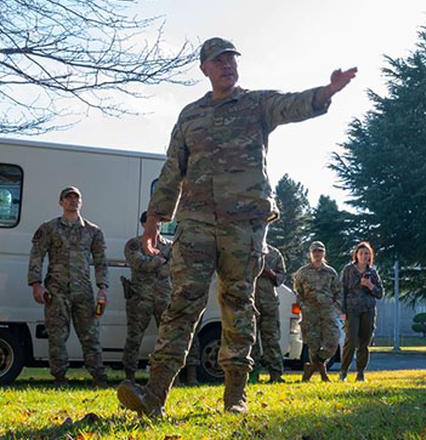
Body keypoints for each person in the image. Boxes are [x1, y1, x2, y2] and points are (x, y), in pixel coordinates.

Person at [118, 37, 356, 416]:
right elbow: (171, 172)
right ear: (205, 68)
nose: (227, 64)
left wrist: (325, 92)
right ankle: (155, 396)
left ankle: (234, 396)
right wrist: (154, 220)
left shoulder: (256, 104)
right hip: (195, 222)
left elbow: (291, 104)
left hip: (243, 225)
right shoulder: (190, 115)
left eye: (231, 58)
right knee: (181, 303)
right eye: (218, 59)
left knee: (237, 304)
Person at [27, 186, 109, 387]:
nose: (73, 201)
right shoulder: (49, 228)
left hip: (83, 291)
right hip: (56, 291)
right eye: (68, 197)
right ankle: (60, 378)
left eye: (76, 198)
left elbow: (101, 261)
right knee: (57, 337)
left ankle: (99, 378)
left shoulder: (93, 231)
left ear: (81, 202)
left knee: (90, 336)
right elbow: (37, 255)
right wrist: (36, 284)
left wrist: (103, 288)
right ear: (61, 202)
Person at [122, 212, 174, 383]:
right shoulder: (134, 244)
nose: (156, 226)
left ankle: (168, 376)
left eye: (159, 223)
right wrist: (158, 262)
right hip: (140, 298)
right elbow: (138, 264)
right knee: (134, 338)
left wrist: (152, 263)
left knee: (168, 338)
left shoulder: (169, 246)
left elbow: (172, 268)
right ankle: (129, 375)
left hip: (163, 298)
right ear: (144, 224)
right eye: (152, 222)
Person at [294, 241, 342, 382]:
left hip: (327, 311)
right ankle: (323, 374)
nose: (317, 254)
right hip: (310, 312)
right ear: (311, 253)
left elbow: (338, 291)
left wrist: (335, 307)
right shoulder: (302, 272)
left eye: (320, 251)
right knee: (313, 345)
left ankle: (311, 367)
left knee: (333, 342)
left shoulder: (330, 272)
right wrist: (303, 305)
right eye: (315, 251)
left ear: (324, 253)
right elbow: (298, 291)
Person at [338, 241, 384, 382]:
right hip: (352, 310)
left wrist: (370, 285)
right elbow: (341, 291)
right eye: (361, 253)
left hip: (368, 310)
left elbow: (380, 293)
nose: (364, 256)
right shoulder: (348, 270)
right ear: (356, 255)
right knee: (350, 341)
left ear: (370, 256)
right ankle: (343, 371)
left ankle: (360, 373)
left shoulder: (373, 272)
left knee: (364, 342)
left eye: (367, 254)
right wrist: (342, 311)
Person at [251, 243, 287, 383]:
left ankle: (276, 374)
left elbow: (280, 278)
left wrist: (269, 272)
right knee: (251, 339)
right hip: (251, 302)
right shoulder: (249, 249)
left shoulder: (274, 253)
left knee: (271, 339)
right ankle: (253, 374)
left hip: (269, 303)